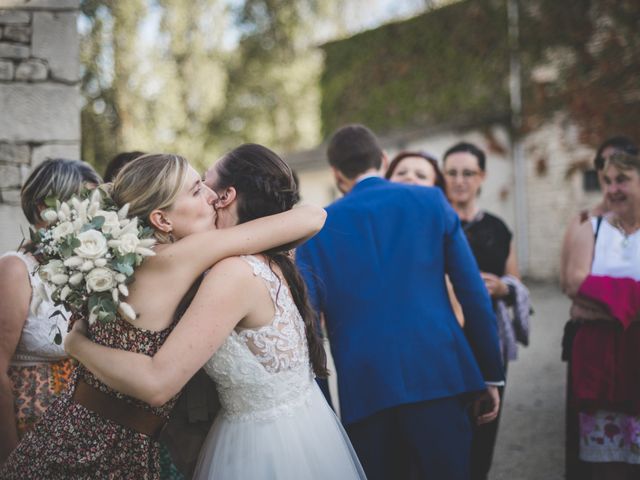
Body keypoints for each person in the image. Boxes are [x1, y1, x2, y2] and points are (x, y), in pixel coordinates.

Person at [0, 152, 325, 479]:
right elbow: (312, 217)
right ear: (162, 220)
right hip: (95, 446)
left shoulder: (126, 259)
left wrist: (77, 343)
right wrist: (75, 345)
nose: (213, 198)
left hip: (74, 429)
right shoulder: (179, 257)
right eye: (197, 190)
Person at [295, 124, 505, 480]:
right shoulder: (431, 201)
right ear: (384, 160)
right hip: (440, 375)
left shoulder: (317, 231)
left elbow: (309, 332)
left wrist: (326, 408)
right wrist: (490, 374)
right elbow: (472, 293)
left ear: (337, 174)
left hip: (365, 388)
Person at [0, 159, 102, 465]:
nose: (93, 215)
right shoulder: (16, 270)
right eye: (83, 203)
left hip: (82, 431)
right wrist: (9, 457)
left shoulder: (89, 270)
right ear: (46, 206)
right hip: (28, 420)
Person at [443, 141, 530, 480]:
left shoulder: (497, 228)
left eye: (468, 173)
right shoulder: (435, 223)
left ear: (482, 177)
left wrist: (502, 288)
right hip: (445, 336)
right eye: (452, 172)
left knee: (484, 425)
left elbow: (515, 281)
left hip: (488, 337)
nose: (459, 180)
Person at [559, 136, 638, 480]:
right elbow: (575, 283)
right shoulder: (592, 226)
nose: (612, 189)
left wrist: (602, 307)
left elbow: (586, 295)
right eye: (607, 181)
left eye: (622, 179)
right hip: (601, 364)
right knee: (605, 467)